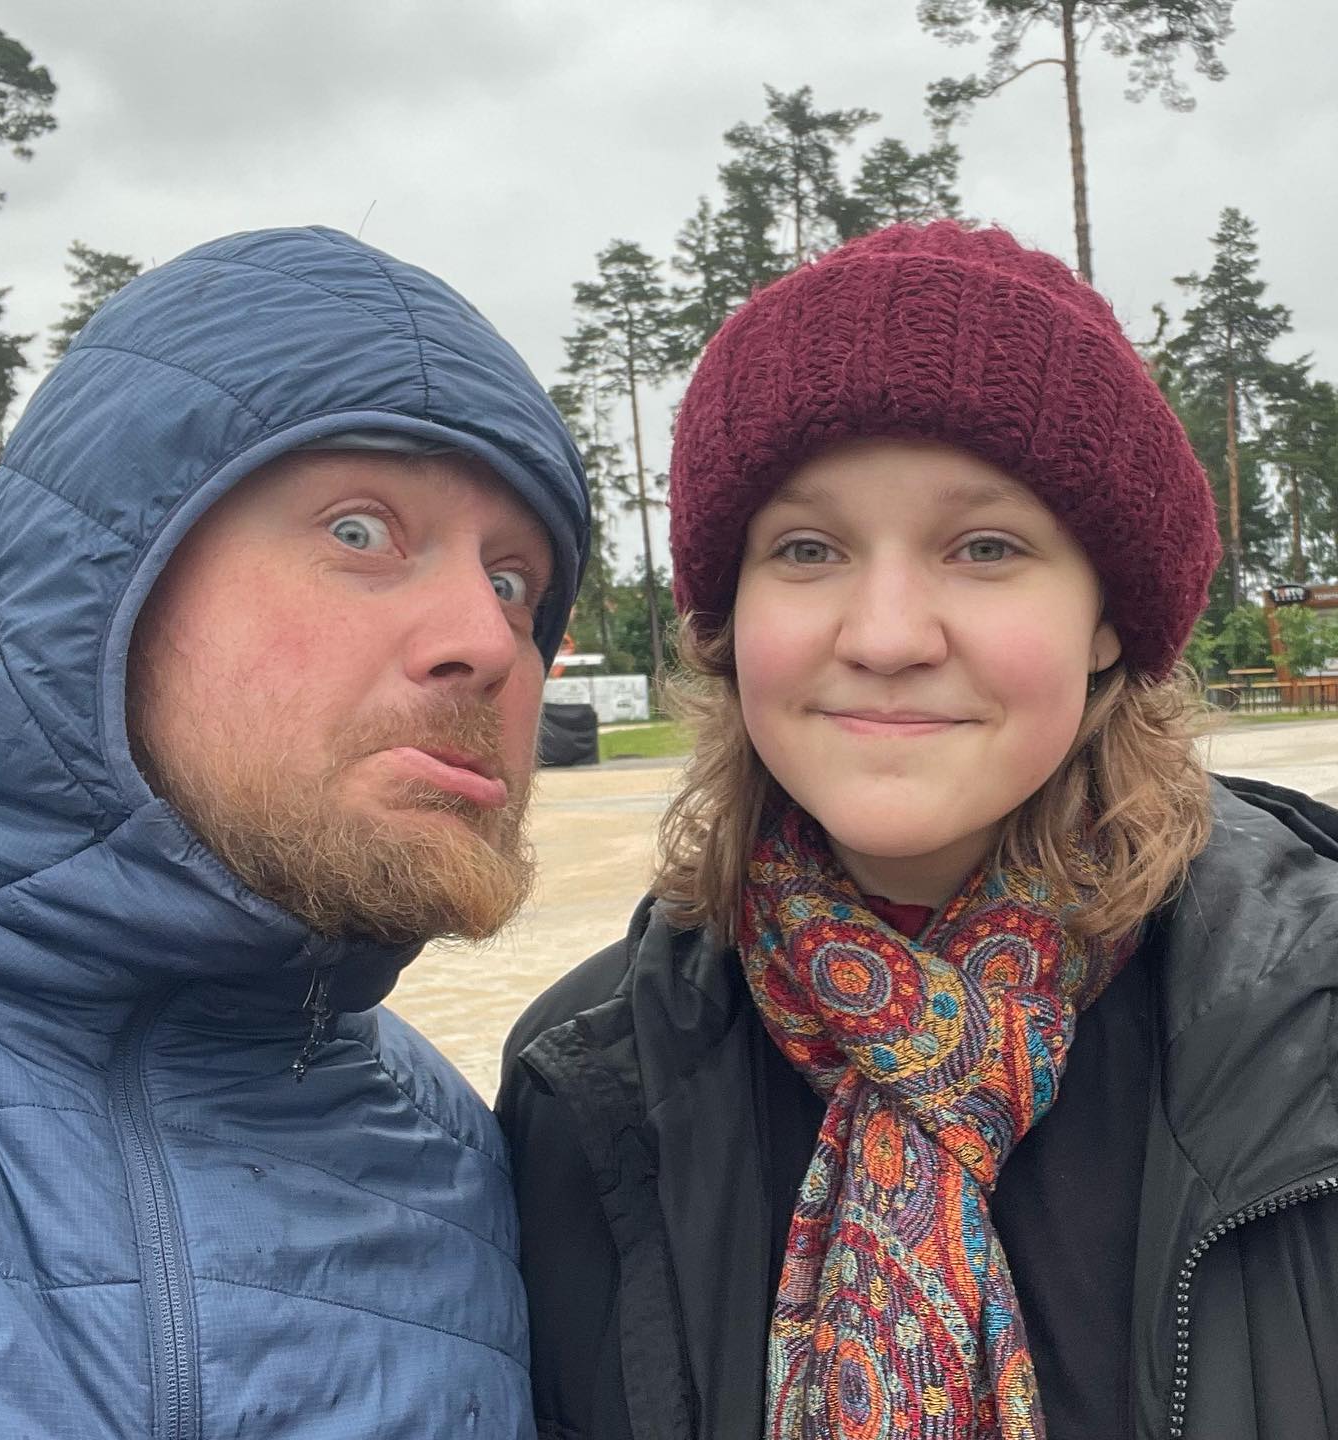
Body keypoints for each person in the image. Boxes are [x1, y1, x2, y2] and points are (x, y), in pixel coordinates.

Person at [498, 222, 1338, 1440]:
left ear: (1108, 618)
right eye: (807, 549)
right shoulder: (584, 1086)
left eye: (986, 547)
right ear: (730, 620)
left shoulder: (1309, 1027)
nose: (887, 634)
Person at [0, 226, 588, 1438]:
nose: (488, 641)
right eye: (361, 532)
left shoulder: (460, 1152)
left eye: (513, 582)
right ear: (105, 579)